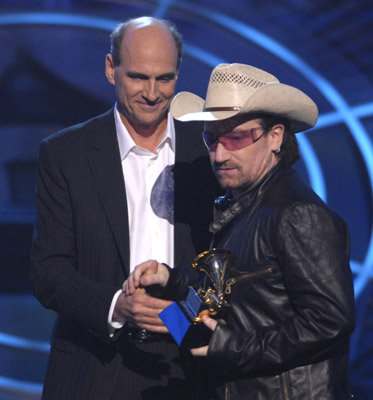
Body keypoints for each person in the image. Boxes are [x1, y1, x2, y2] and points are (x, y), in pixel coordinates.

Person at [124, 63, 356, 399]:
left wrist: (231, 346)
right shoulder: (242, 206)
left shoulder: (296, 214)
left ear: (275, 137)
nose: (219, 154)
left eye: (236, 137)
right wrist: (169, 281)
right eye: (211, 138)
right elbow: (230, 293)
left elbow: (330, 320)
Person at [30, 16, 220, 400]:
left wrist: (184, 319)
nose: (152, 93)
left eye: (164, 78)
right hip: (92, 365)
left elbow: (224, 262)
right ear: (110, 69)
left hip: (188, 367)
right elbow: (48, 270)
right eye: (138, 77)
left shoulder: (207, 152)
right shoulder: (66, 153)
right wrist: (118, 306)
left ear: (179, 75)